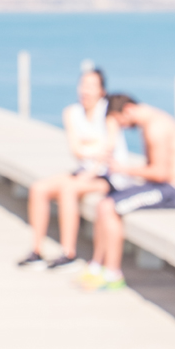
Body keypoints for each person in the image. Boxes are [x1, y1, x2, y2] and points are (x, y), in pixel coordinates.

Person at [80, 93, 175, 292]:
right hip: (162, 187)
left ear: (128, 109)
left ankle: (113, 273)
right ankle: (97, 265)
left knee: (109, 207)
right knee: (104, 202)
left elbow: (160, 173)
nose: (123, 127)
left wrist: (123, 169)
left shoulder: (155, 128)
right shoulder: (152, 122)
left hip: (173, 191)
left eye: (120, 121)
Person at [17, 68, 127, 270]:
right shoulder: (72, 112)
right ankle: (36, 250)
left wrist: (90, 165)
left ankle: (68, 252)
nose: (86, 90)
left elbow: (108, 150)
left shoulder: (109, 112)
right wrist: (93, 154)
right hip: (83, 171)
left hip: (108, 175)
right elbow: (76, 150)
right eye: (83, 85)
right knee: (39, 188)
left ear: (102, 90)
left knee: (68, 190)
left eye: (92, 86)